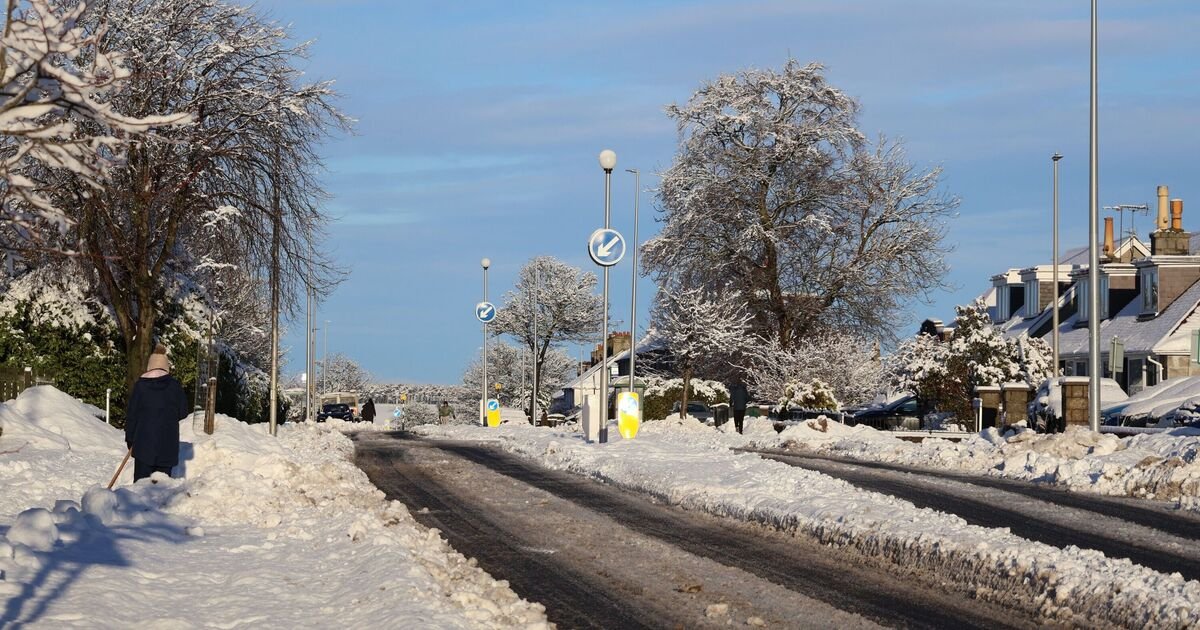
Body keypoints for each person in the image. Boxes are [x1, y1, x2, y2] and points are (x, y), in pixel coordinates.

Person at [124, 344, 189, 482]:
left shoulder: (140, 387)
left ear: (150, 366)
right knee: (161, 490)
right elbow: (183, 412)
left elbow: (132, 416)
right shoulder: (175, 386)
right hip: (167, 445)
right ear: (166, 367)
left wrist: (130, 439)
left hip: (143, 446)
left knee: (141, 489)